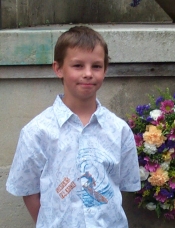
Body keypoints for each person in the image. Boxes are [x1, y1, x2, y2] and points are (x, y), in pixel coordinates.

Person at [6, 26, 141, 228]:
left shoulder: (118, 130)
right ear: (58, 68)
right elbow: (28, 191)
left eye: (96, 66)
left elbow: (119, 185)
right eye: (78, 65)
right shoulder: (37, 132)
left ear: (105, 70)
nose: (88, 73)